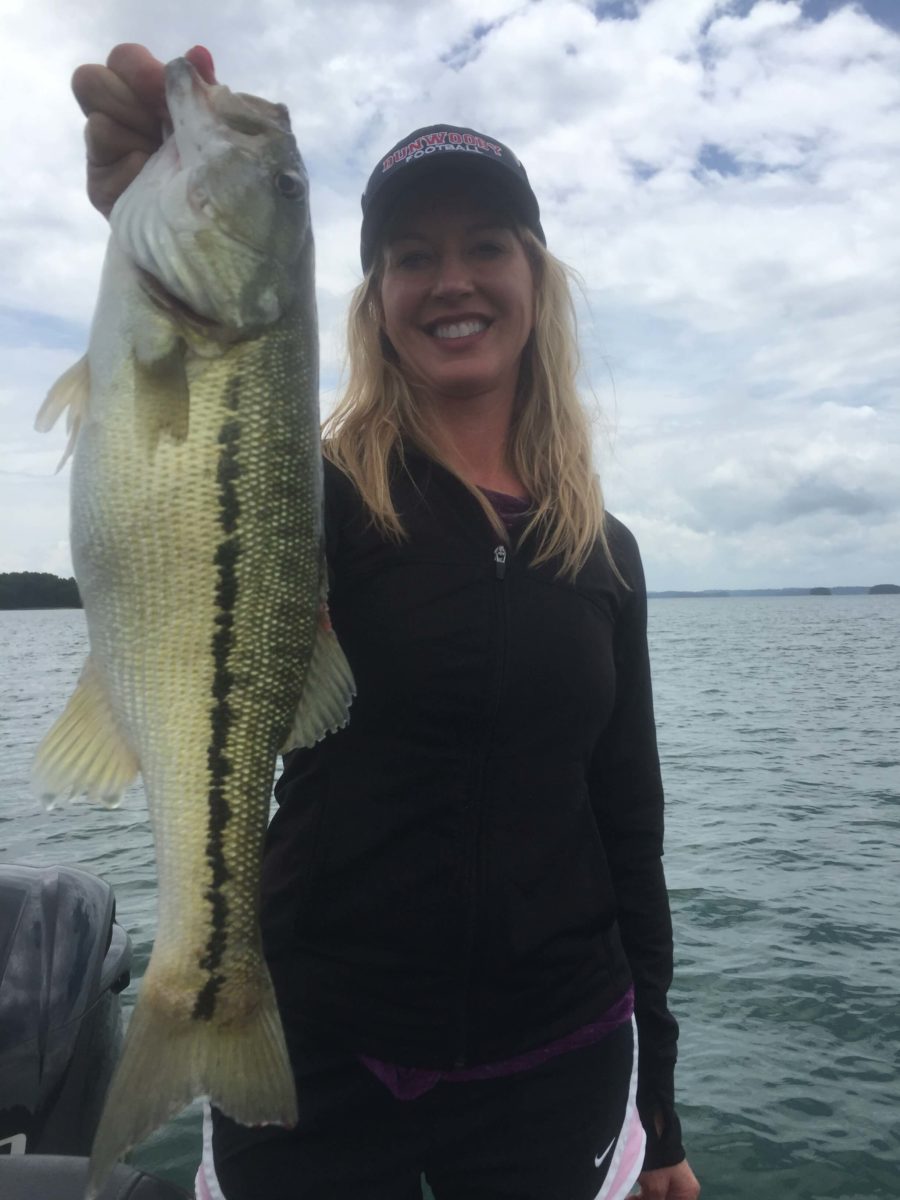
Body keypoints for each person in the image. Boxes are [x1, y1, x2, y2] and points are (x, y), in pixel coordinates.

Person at [73, 44, 701, 1200]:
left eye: (484, 247)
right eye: (413, 256)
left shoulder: (607, 555)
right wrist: (143, 210)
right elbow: (187, 490)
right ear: (374, 299)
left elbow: (631, 833)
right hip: (315, 1051)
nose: (451, 279)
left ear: (535, 276)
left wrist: (658, 1115)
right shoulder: (317, 503)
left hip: (559, 1060)